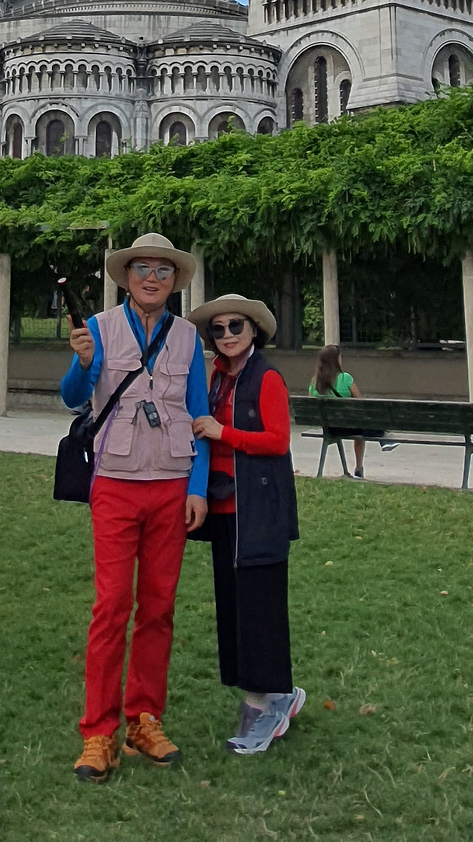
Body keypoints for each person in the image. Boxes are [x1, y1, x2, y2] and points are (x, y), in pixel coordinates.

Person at [60, 232, 210, 784]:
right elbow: (72, 396)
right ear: (126, 277)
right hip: (116, 484)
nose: (152, 278)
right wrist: (82, 363)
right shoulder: (99, 328)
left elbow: (198, 414)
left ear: (175, 281)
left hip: (172, 484)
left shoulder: (188, 338)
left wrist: (197, 486)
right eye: (142, 268)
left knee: (159, 607)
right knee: (112, 606)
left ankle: (144, 720)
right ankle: (98, 733)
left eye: (163, 271)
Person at [189, 294, 303, 755]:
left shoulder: (266, 377)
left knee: (259, 607)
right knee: (234, 607)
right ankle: (275, 696)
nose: (227, 335)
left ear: (254, 330)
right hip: (223, 510)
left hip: (258, 510)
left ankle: (262, 707)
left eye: (236, 326)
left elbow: (278, 441)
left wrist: (225, 433)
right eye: (217, 329)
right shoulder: (217, 376)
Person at [309, 343, 367, 477]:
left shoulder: (315, 382)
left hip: (329, 428)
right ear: (336, 360)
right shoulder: (345, 378)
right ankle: (359, 468)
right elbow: (361, 403)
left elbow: (312, 405)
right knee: (363, 428)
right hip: (349, 427)